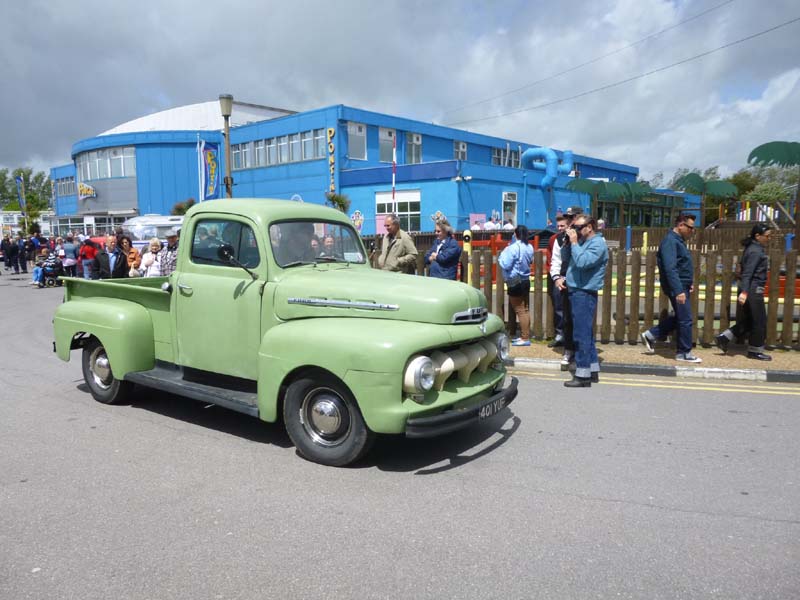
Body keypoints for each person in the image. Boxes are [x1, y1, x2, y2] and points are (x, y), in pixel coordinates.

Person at [640, 214, 701, 363]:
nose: (692, 231)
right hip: (677, 287)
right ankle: (684, 353)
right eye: (690, 227)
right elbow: (670, 268)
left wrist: (687, 283)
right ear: (681, 225)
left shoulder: (677, 241)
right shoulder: (670, 241)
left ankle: (651, 334)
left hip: (681, 285)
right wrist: (679, 290)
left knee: (681, 316)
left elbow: (681, 266)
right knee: (686, 319)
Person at [563, 216, 608, 387]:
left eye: (579, 227)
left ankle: (582, 376)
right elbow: (569, 259)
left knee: (580, 335)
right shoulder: (581, 242)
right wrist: (568, 243)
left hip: (584, 291)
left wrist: (574, 243)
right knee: (586, 334)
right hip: (577, 290)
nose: (576, 230)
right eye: (574, 227)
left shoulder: (598, 244)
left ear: (590, 227)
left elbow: (582, 262)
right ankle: (592, 370)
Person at [716, 224, 772, 361]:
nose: (769, 238)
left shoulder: (753, 248)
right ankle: (755, 350)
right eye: (767, 236)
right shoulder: (755, 251)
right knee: (759, 321)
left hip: (750, 289)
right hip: (752, 289)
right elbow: (748, 273)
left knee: (751, 320)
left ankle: (725, 337)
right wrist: (745, 292)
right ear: (757, 236)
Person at [551, 207, 582, 366]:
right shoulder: (560, 239)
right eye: (569, 218)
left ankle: (582, 352)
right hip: (566, 283)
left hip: (583, 284)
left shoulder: (589, 237)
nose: (571, 221)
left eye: (573, 217)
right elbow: (556, 261)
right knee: (567, 319)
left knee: (582, 320)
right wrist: (556, 278)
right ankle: (569, 350)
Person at [499, 225, 534, 346]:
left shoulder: (513, 248)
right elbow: (530, 261)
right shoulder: (530, 246)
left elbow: (505, 264)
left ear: (516, 234)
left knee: (520, 310)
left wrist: (502, 255)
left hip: (515, 280)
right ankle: (525, 335)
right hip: (525, 279)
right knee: (525, 308)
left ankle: (525, 337)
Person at [546, 214, 569, 348]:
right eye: (558, 226)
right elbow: (553, 259)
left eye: (562, 226)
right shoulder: (556, 239)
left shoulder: (576, 238)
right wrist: (555, 277)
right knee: (559, 308)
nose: (560, 228)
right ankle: (560, 335)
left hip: (572, 278)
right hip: (559, 278)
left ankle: (571, 337)